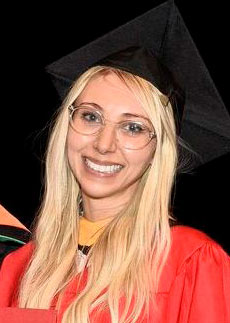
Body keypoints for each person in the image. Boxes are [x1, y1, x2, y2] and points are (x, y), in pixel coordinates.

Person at [0, 1, 230, 322]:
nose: (104, 144)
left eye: (133, 127)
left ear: (157, 152)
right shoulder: (19, 266)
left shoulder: (191, 262)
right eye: (91, 116)